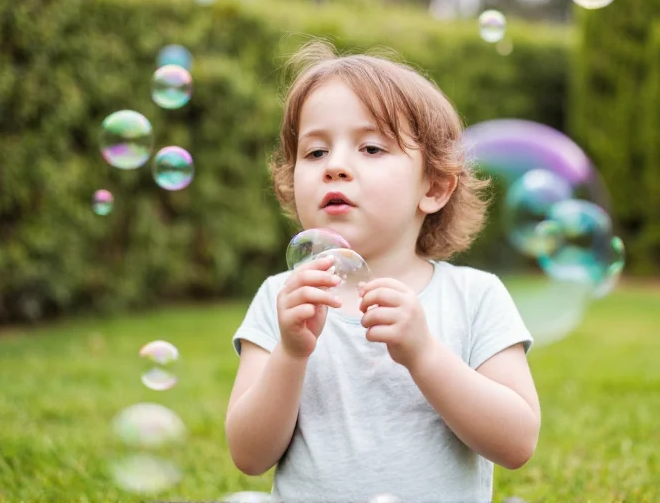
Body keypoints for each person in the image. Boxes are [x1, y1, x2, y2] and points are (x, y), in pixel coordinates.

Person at [225, 41, 540, 503]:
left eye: (370, 147)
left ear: (433, 187)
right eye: (314, 153)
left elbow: (517, 442)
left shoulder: (475, 297)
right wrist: (291, 354)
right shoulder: (283, 298)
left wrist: (424, 354)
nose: (334, 166)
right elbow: (249, 455)